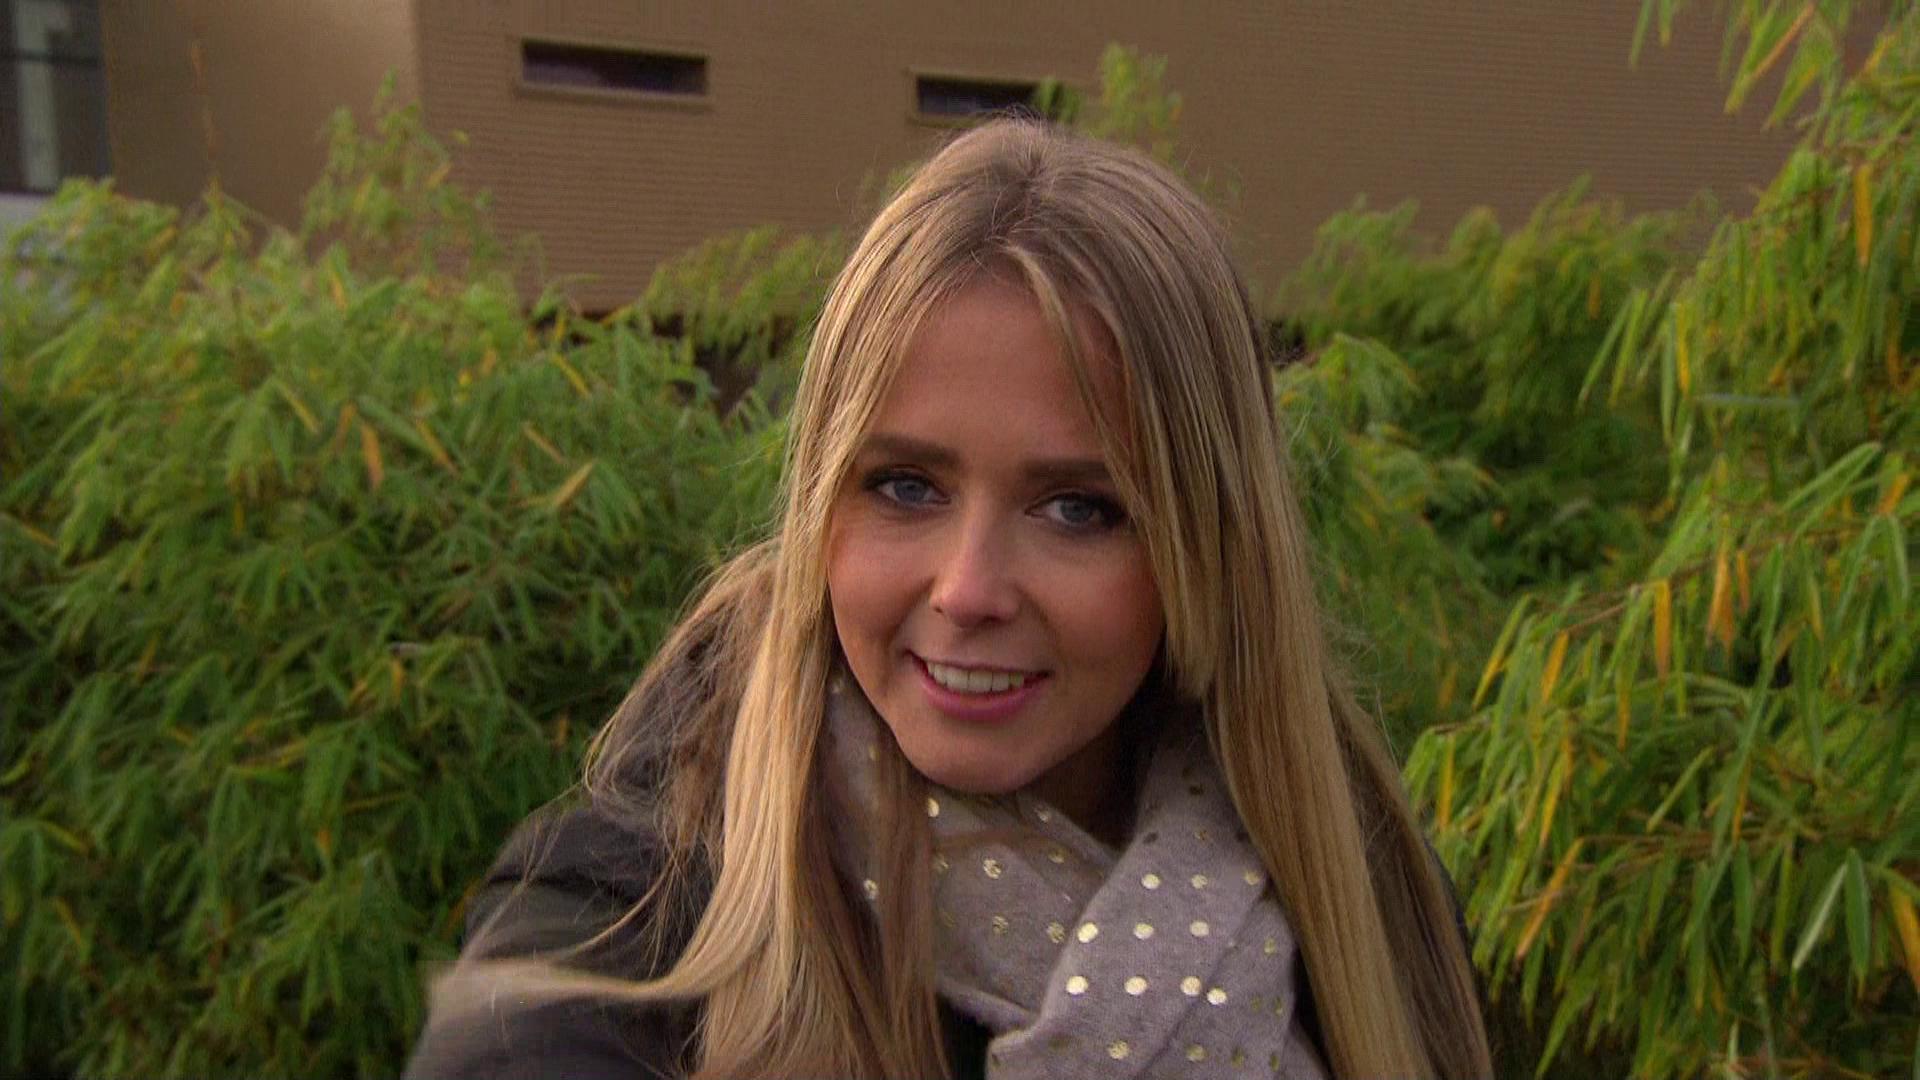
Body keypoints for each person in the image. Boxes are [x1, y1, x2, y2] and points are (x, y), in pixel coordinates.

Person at [404, 118, 1492, 1079]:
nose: (969, 590)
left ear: (1211, 545)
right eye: (905, 487)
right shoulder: (633, 902)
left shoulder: (1368, 902)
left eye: (1079, 509)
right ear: (821, 502)